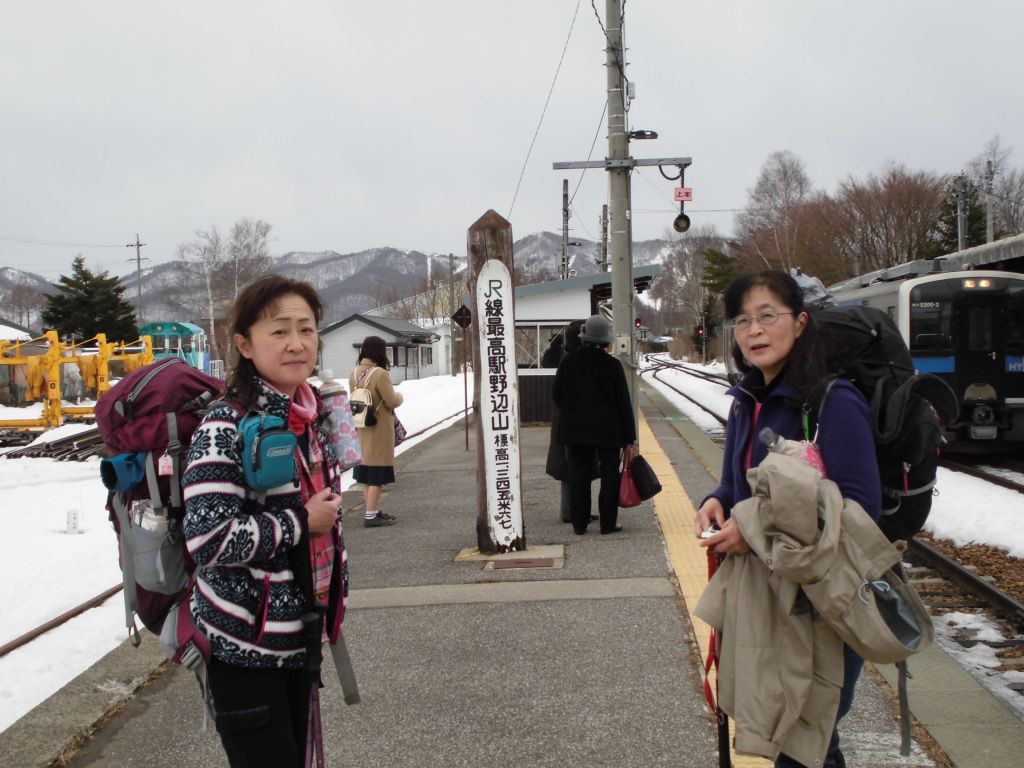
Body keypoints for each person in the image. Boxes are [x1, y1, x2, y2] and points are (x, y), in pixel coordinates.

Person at [694, 270, 881, 768]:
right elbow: (739, 489)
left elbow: (861, 508)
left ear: (800, 323)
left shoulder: (831, 402)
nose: (753, 331)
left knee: (808, 740)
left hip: (821, 604)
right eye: (742, 320)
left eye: (767, 317)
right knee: (791, 739)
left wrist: (751, 533)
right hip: (768, 598)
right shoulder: (747, 402)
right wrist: (716, 500)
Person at [182, 275, 348, 768]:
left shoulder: (307, 415)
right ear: (244, 345)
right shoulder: (224, 425)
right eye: (278, 331)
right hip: (244, 650)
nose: (297, 344)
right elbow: (208, 540)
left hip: (297, 636)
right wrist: (303, 521)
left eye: (307, 329)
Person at [552, 314, 637, 535]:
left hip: (575, 431)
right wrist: (630, 437)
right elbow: (623, 404)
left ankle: (579, 525)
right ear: (606, 341)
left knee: (578, 475)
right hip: (609, 431)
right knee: (610, 476)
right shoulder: (613, 365)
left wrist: (572, 412)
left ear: (584, 337)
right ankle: (608, 524)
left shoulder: (568, 362)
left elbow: (556, 395)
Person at [349, 335, 404, 528]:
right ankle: (371, 516)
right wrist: (399, 396)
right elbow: (390, 400)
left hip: (362, 426)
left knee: (366, 474)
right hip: (379, 429)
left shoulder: (355, 373)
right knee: (378, 474)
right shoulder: (380, 374)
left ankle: (371, 510)